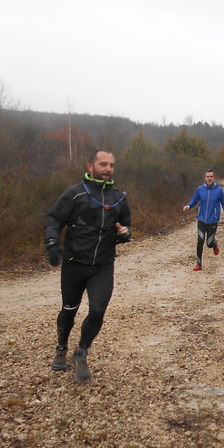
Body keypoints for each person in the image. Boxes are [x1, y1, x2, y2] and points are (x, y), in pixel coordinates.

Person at [44, 149, 131, 381]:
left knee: (97, 310)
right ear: (90, 166)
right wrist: (52, 245)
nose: (108, 169)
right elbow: (54, 219)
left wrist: (124, 233)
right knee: (69, 311)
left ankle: (81, 352)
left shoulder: (118, 198)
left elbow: (126, 228)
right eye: (103, 164)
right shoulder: (75, 194)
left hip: (102, 265)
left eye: (111, 165)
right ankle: (61, 346)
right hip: (74, 264)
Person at [183, 168, 224, 271]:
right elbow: (194, 200)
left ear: (214, 178)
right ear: (205, 178)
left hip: (213, 220)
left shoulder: (218, 190)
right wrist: (188, 206)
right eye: (207, 177)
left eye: (211, 176)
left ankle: (214, 244)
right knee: (200, 241)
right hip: (201, 219)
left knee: (209, 243)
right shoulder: (200, 189)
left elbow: (223, 202)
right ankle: (199, 264)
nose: (209, 178)